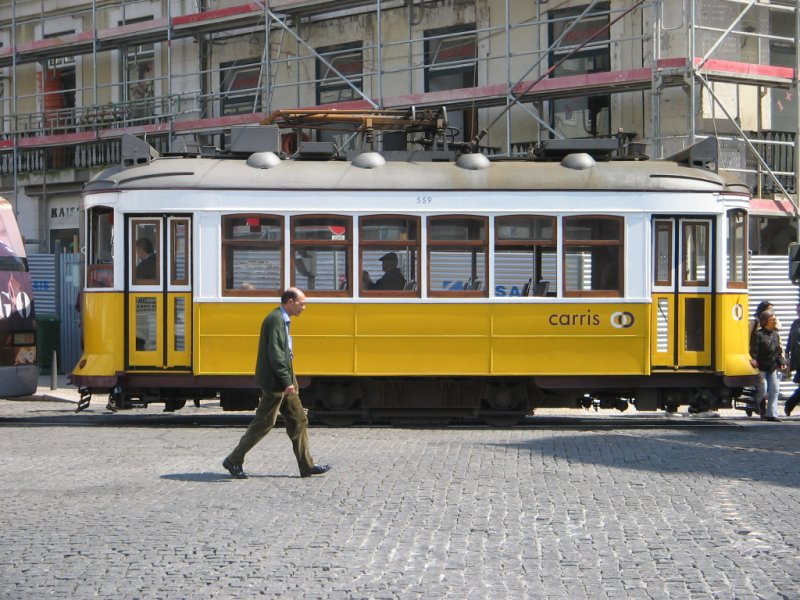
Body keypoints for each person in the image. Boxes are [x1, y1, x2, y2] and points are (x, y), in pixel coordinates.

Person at [222, 287, 331, 479]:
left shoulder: (282, 320)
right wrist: (286, 381)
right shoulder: (275, 320)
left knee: (299, 420)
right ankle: (233, 460)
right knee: (264, 422)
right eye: (301, 303)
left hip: (284, 380)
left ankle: (307, 466)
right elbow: (276, 355)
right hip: (276, 382)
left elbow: (283, 353)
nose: (304, 307)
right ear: (290, 302)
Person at [749, 309, 786, 422]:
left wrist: (782, 362)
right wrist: (753, 359)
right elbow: (754, 351)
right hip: (761, 367)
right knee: (763, 389)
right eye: (773, 319)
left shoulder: (775, 334)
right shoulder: (758, 334)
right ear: (766, 321)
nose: (775, 321)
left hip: (772, 366)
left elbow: (778, 351)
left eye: (775, 319)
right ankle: (756, 407)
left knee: (775, 390)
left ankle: (772, 414)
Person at [784, 303, 800, 416]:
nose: (798, 312)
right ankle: (789, 405)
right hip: (797, 360)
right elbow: (790, 338)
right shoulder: (795, 323)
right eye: (797, 310)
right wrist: (786, 352)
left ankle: (789, 404)